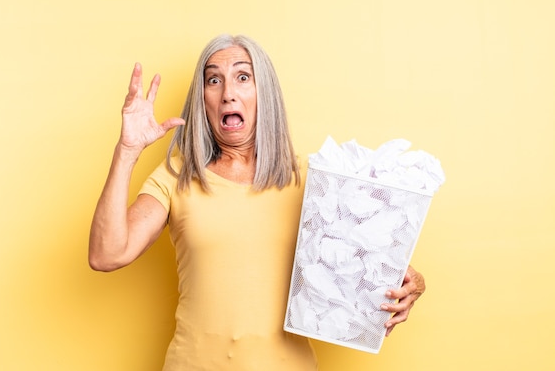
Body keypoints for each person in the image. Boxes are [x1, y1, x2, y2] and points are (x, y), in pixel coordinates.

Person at [89, 34, 426, 370]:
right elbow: (107, 254)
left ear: (264, 93)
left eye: (243, 77)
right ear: (201, 98)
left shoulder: (313, 180)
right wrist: (128, 151)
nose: (228, 93)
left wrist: (403, 280)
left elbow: (361, 260)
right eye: (214, 80)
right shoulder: (176, 174)